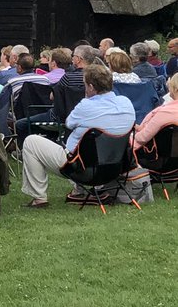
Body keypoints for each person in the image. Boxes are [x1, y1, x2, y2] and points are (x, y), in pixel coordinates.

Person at [21, 63, 136, 207]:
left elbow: (69, 123)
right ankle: (80, 191)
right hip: (116, 166)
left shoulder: (86, 106)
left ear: (91, 87)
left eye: (85, 85)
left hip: (80, 167)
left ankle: (39, 197)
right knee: (84, 141)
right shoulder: (126, 103)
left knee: (31, 141)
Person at [134, 72, 178, 149]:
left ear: (176, 89)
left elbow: (142, 138)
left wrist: (133, 134)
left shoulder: (165, 112)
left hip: (160, 155)